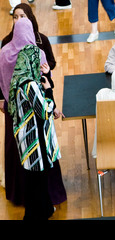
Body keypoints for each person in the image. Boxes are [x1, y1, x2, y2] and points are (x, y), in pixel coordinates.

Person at [0, 18, 66, 207]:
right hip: (37, 126)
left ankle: (23, 198)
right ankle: (44, 204)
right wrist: (49, 88)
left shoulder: (4, 54)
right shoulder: (35, 60)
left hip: (16, 117)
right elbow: (44, 106)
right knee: (41, 169)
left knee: (23, 164)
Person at [9, 43, 63, 220]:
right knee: (38, 182)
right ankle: (35, 215)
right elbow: (44, 110)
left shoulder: (18, 80)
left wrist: (46, 77)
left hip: (27, 140)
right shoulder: (29, 84)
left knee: (36, 181)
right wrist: (49, 91)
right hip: (36, 142)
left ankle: (46, 209)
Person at [2, 3, 57, 73]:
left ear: (30, 18)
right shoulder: (6, 41)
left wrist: (41, 66)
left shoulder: (42, 39)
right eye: (15, 17)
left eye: (22, 16)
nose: (19, 20)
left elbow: (52, 63)